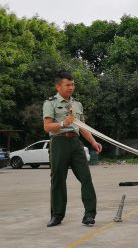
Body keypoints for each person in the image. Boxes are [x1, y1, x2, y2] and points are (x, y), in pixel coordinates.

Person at [43, 71, 103, 227]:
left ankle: (89, 214)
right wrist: (64, 123)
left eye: (73, 84)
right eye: (67, 85)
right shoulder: (50, 103)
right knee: (58, 180)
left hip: (75, 143)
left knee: (86, 178)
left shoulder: (77, 104)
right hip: (59, 142)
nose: (71, 87)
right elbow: (47, 126)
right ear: (58, 86)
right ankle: (57, 215)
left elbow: (82, 127)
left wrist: (93, 142)